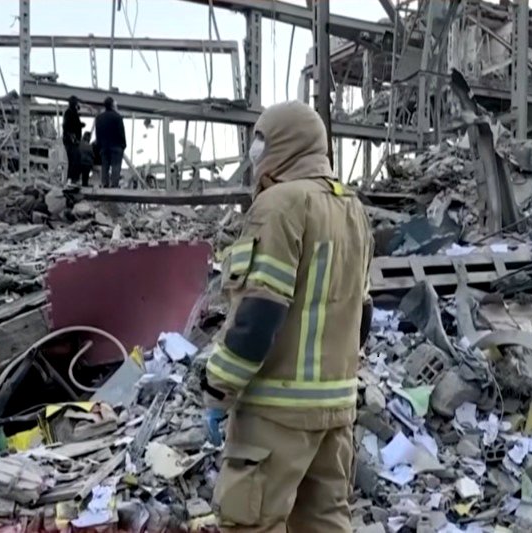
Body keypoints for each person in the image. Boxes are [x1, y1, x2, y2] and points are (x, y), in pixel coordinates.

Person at [201, 101, 374, 533]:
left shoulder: (279, 204)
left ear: (286, 142)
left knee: (250, 523)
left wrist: (218, 388)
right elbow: (363, 312)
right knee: (325, 522)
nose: (255, 152)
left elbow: (259, 314)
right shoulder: (352, 208)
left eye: (262, 140)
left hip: (276, 414)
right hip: (336, 410)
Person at [94, 97, 126, 188]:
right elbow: (121, 132)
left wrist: (99, 146)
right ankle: (114, 185)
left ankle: (105, 183)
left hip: (104, 146)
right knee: (116, 166)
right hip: (116, 146)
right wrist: (123, 145)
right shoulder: (117, 117)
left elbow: (98, 133)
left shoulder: (99, 118)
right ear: (112, 105)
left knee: (105, 166)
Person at [62, 96, 84, 184]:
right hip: (71, 140)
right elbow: (68, 126)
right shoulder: (70, 112)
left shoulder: (71, 112)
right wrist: (79, 126)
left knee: (74, 160)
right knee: (74, 160)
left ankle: (72, 179)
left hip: (71, 140)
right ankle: (72, 179)